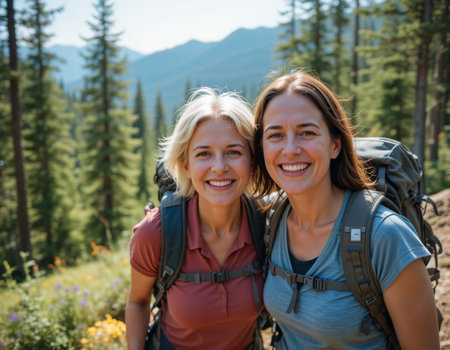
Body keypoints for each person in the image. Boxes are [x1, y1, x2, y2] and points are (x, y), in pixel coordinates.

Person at [253, 70, 440, 349]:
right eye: (275, 135)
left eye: (307, 132)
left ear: (335, 145)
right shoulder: (272, 219)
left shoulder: (385, 236)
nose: (290, 149)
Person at [125, 87, 264, 350]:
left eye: (234, 151)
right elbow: (137, 302)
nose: (220, 167)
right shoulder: (156, 233)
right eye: (204, 154)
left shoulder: (266, 224)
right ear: (186, 165)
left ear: (252, 161)